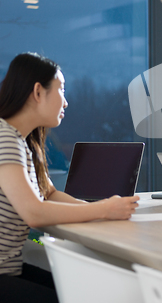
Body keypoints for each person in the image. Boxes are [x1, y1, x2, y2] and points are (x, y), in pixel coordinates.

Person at [0, 53, 139, 302]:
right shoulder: (5, 139)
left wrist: (96, 208)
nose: (66, 102)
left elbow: (49, 193)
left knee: (77, 291)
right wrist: (103, 210)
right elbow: (34, 213)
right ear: (38, 92)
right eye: (61, 90)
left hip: (10, 268)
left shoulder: (20, 141)